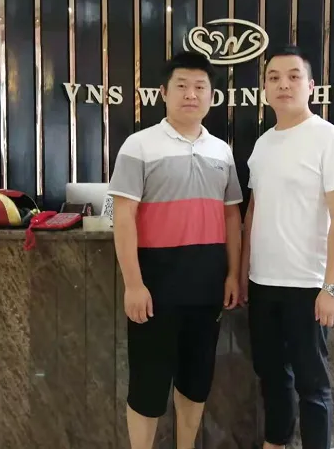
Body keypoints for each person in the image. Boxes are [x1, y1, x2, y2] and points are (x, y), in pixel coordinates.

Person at [108, 51, 243, 449]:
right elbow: (124, 217)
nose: (191, 94)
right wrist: (134, 284)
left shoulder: (222, 151)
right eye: (181, 86)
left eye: (200, 87)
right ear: (163, 93)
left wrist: (232, 274)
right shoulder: (139, 145)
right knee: (148, 383)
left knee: (196, 380)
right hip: (155, 285)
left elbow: (231, 216)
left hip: (207, 285)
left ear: (211, 96)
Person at [240, 45, 334, 449]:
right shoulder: (262, 144)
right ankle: (276, 442)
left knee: (312, 384)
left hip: (308, 285)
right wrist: (243, 274)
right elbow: (253, 212)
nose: (283, 84)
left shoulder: (330, 139)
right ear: (264, 89)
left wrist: (332, 287)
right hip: (263, 282)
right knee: (271, 375)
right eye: (274, 77)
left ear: (311, 86)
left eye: (293, 76)